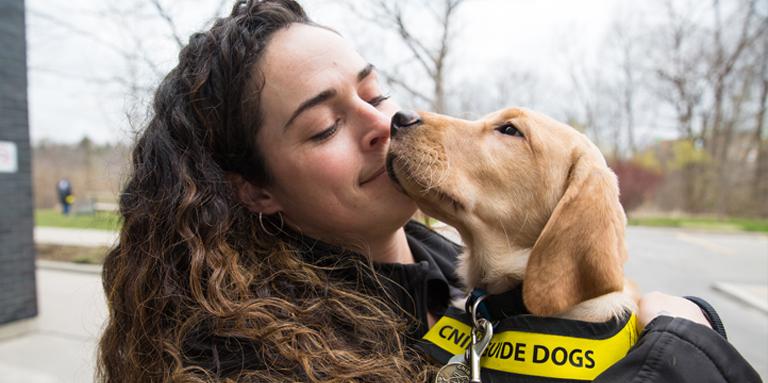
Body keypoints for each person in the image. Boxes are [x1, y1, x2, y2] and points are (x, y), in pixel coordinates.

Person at [96, 1, 760, 382]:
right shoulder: (254, 360)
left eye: (374, 92)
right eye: (325, 124)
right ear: (257, 191)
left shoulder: (456, 277)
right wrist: (682, 351)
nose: (386, 123)